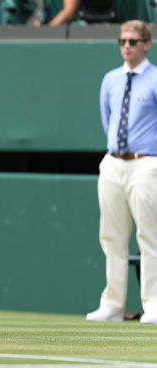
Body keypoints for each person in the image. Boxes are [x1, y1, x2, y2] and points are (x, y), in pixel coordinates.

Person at [86, 20, 157, 325]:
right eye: (122, 41)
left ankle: (153, 303)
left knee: (149, 234)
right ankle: (113, 305)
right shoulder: (111, 79)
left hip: (147, 162)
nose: (126, 46)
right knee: (111, 236)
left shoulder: (155, 78)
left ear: (146, 44)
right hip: (114, 161)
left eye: (133, 41)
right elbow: (108, 120)